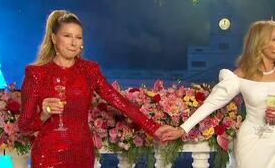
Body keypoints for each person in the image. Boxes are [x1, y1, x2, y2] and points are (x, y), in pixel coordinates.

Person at [18, 10, 171, 168]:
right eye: (67, 36)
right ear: (53, 38)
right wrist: (45, 114)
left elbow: (119, 101)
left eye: (78, 37)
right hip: (48, 155)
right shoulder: (36, 74)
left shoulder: (89, 70)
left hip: (82, 153)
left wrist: (154, 128)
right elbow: (24, 127)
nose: (73, 43)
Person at [161, 20, 275, 168]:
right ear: (259, 44)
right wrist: (182, 129)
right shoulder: (241, 75)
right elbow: (211, 103)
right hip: (251, 142)